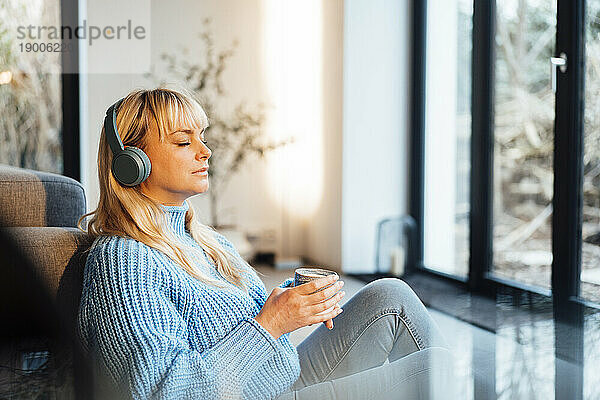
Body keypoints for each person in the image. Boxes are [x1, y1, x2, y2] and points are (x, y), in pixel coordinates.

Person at [77, 87, 453, 400]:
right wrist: (271, 323)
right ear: (132, 161)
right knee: (431, 367)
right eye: (182, 141)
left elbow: (249, 320)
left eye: (202, 137)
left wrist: (293, 303)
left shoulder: (204, 239)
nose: (204, 151)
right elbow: (160, 392)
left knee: (390, 297)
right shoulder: (122, 260)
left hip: (275, 381)